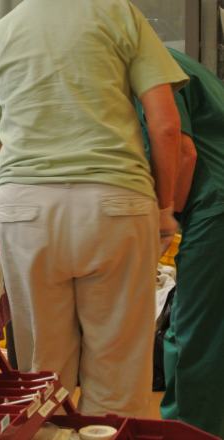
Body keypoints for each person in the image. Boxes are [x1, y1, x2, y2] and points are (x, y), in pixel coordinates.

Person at [0, 0, 189, 417]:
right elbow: (167, 125)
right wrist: (164, 208)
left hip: (27, 212)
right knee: (118, 371)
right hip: (114, 203)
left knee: (43, 373)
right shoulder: (120, 16)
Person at [136, 48, 224, 438]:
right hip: (214, 202)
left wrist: (165, 219)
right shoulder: (177, 61)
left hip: (214, 206)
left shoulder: (144, 66)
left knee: (193, 333)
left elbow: (182, 152)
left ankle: (190, 431)